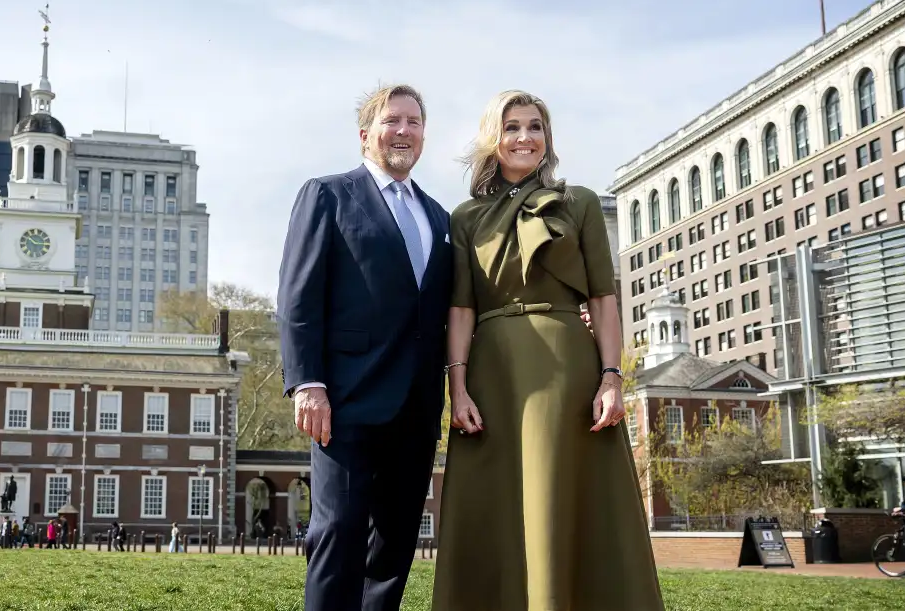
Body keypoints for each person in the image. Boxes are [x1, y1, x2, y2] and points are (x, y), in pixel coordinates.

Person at [431, 90, 664, 610]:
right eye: (512, 127)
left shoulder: (578, 201)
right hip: (493, 375)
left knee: (557, 495)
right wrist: (459, 387)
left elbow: (604, 297)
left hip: (567, 371)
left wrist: (611, 378)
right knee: (497, 505)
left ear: (548, 139)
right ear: (494, 138)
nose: (524, 137)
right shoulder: (464, 217)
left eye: (535, 127)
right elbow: (461, 309)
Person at [276, 83, 452, 611]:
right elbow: (297, 294)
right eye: (392, 120)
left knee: (394, 542)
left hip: (417, 406)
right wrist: (307, 383)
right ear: (365, 135)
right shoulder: (328, 194)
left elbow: (455, 306)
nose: (404, 131)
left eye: (414, 122)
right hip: (345, 400)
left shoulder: (439, 217)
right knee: (340, 529)